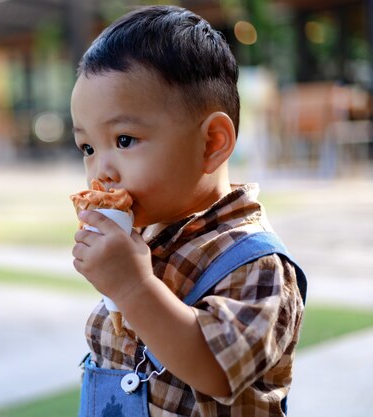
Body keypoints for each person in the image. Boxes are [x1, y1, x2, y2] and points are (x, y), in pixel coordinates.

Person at [70, 5, 306, 417]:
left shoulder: (254, 262)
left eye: (124, 140)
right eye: (88, 148)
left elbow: (216, 371)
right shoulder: (144, 240)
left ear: (212, 143)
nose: (101, 171)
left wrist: (132, 287)